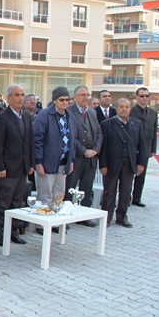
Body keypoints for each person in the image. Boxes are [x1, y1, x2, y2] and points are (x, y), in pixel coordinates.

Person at [0, 85, 34, 245]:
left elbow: (30, 141)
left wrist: (30, 163)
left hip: (22, 168)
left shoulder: (27, 117)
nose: (20, 98)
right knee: (3, 203)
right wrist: (0, 167)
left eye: (22, 95)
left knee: (17, 203)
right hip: (7, 169)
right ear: (9, 98)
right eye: (17, 95)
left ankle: (13, 232)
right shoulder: (2, 117)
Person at [99, 98, 146, 228]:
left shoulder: (136, 124)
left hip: (129, 163)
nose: (124, 109)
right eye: (121, 107)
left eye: (127, 107)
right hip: (112, 163)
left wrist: (141, 164)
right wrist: (103, 165)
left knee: (126, 191)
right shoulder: (107, 124)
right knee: (109, 192)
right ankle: (106, 218)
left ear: (130, 108)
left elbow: (142, 145)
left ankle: (122, 217)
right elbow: (103, 147)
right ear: (116, 108)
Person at [33, 86, 76, 209]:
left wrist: (71, 160)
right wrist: (38, 162)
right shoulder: (45, 115)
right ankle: (42, 226)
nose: (65, 102)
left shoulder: (70, 116)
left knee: (59, 196)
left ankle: (55, 224)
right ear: (54, 100)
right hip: (47, 163)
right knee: (45, 197)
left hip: (63, 163)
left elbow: (73, 140)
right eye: (61, 100)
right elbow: (37, 140)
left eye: (67, 100)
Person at [65, 86, 102, 224]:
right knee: (71, 187)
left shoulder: (92, 112)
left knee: (87, 188)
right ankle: (66, 215)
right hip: (77, 157)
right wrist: (84, 151)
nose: (86, 97)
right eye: (82, 95)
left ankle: (84, 216)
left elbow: (98, 132)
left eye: (88, 94)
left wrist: (95, 150)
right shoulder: (69, 111)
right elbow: (70, 135)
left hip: (91, 158)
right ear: (75, 97)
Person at [130, 87, 158, 208]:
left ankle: (137, 198)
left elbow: (154, 133)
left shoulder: (153, 113)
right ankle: (125, 197)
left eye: (147, 96)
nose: (145, 98)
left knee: (141, 176)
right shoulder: (131, 111)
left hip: (145, 149)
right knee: (128, 175)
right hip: (131, 148)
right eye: (142, 96)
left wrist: (153, 149)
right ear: (136, 97)